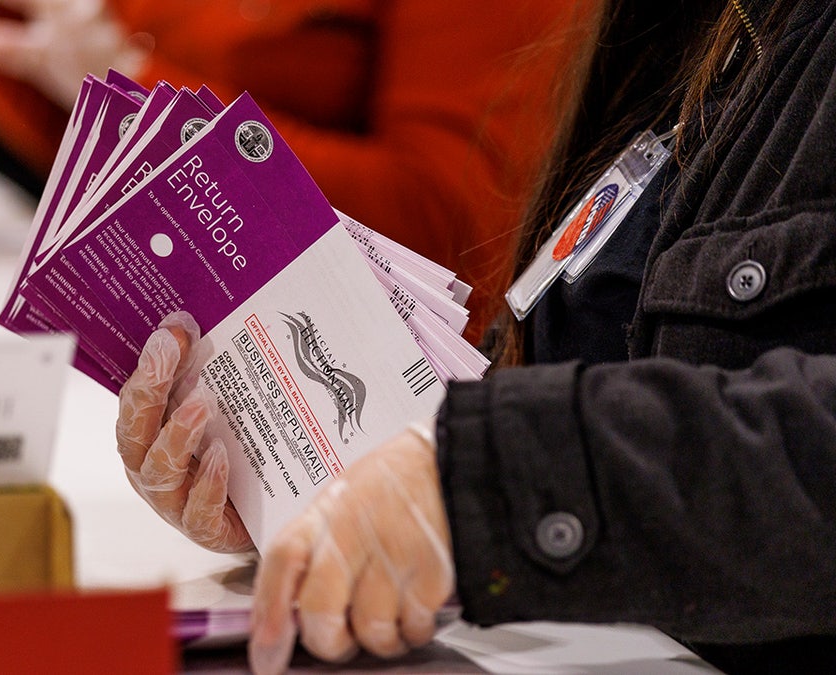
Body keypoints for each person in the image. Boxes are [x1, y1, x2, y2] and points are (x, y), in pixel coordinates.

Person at [115, 0, 836, 672]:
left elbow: (432, 209)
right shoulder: (692, 24)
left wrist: (480, 478)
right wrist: (303, 471)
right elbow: (582, 349)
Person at [0, 0, 589, 344]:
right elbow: (77, 122)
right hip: (190, 330)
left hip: (380, 391)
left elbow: (456, 236)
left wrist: (142, 90)